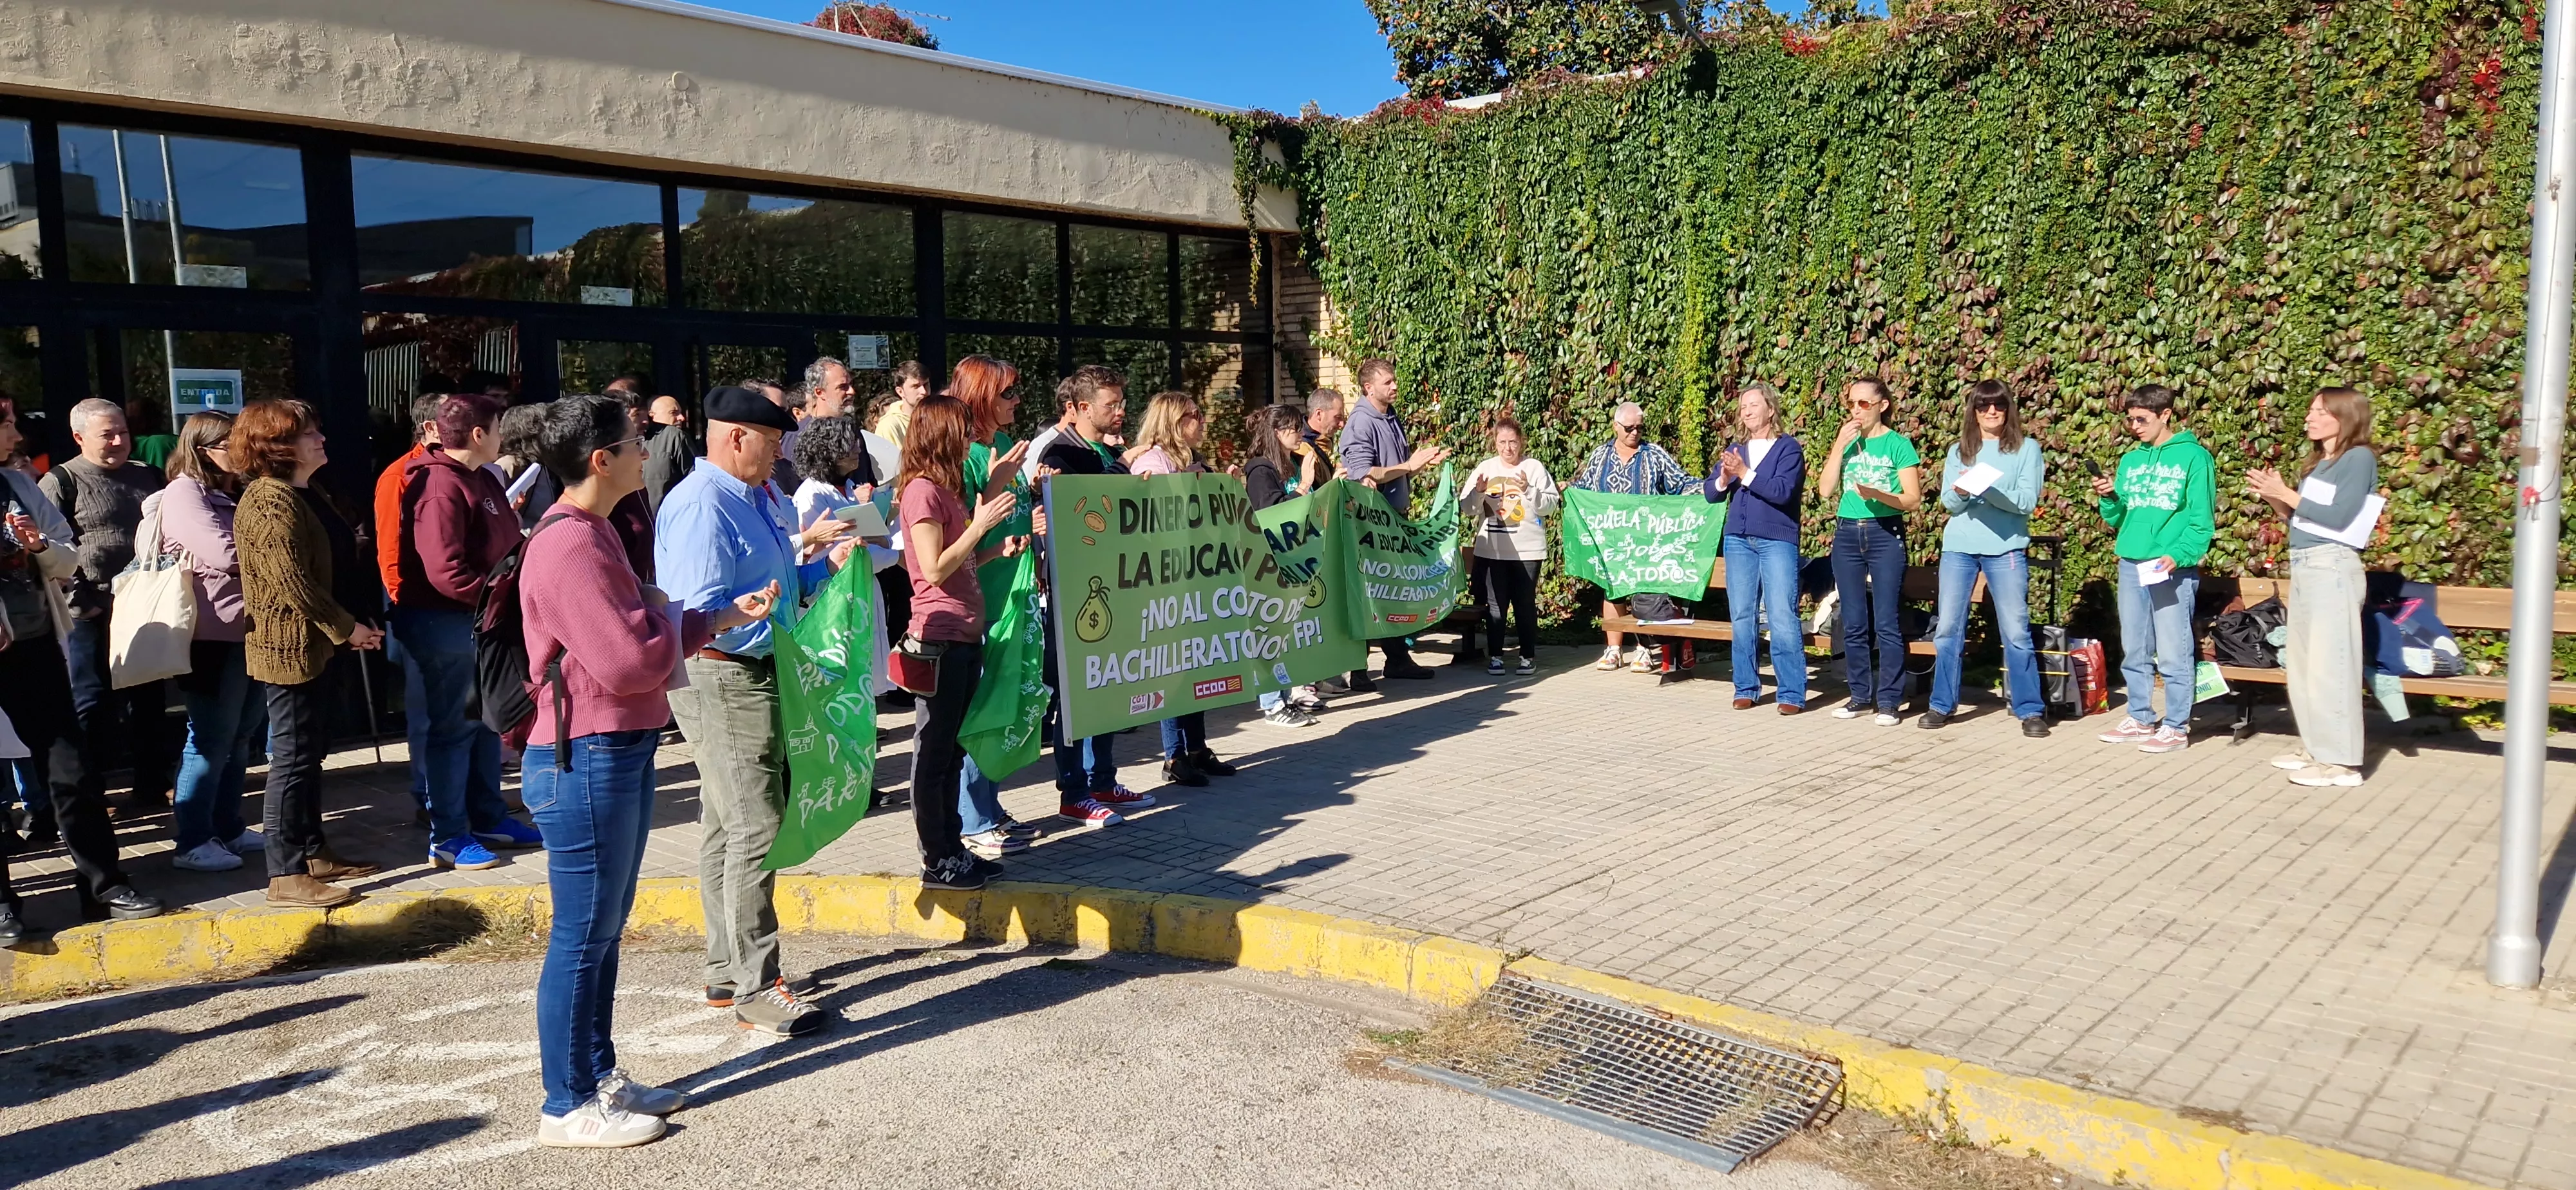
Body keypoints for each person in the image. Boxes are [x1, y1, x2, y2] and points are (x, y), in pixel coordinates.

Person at [520, 394, 774, 1148]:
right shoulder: (570, 545)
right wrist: (665, 608)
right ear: (602, 460)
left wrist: (714, 618)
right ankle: (566, 1106)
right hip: (584, 756)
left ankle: (596, 1076)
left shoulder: (592, 532)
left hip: (609, 750)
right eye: (636, 442)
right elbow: (630, 661)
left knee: (600, 933)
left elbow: (645, 637)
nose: (649, 452)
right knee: (580, 936)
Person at [656, 385, 853, 1034]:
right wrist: (767, 626)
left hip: (754, 672)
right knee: (754, 827)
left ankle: (726, 968)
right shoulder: (703, 506)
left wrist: (823, 565)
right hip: (724, 677)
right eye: (772, 445)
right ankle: (755, 985)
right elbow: (698, 616)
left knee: (729, 823)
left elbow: (779, 588)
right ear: (736, 438)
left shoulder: (757, 495)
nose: (780, 459)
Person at [0, 395, 161, 938]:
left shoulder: (20, 485)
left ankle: (104, 885)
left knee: (72, 766)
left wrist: (40, 544)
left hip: (35, 643)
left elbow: (67, 555)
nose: (16, 435)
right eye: (5, 424)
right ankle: (2, 905)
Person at [232, 400, 386, 908]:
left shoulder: (303, 491)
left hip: (318, 643)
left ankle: (313, 851)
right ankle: (285, 873)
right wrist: (348, 629)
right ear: (277, 448)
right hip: (290, 649)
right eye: (307, 434)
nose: (320, 439)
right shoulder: (269, 501)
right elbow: (293, 583)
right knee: (292, 759)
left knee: (309, 754)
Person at [395, 393, 545, 872]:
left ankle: (487, 816)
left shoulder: (479, 478)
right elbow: (445, 570)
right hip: (448, 621)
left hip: (478, 621)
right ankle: (449, 835)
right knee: (453, 729)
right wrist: (499, 598)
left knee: (485, 723)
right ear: (479, 434)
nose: (503, 436)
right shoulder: (440, 485)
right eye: (498, 427)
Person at [896, 395, 1022, 890]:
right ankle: (938, 857)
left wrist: (993, 549)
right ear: (940, 435)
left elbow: (960, 562)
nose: (969, 438)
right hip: (940, 639)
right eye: (962, 430)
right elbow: (933, 568)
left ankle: (954, 849)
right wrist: (980, 526)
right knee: (935, 755)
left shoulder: (947, 489)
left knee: (951, 753)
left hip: (964, 635)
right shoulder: (922, 492)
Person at [41, 398, 180, 815]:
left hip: (144, 604)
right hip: (90, 611)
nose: (120, 441)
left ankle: (151, 787)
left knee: (150, 700)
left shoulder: (149, 476)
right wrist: (84, 602)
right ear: (79, 437)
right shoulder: (62, 481)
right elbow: (52, 549)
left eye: (123, 431)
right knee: (93, 702)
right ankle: (91, 792)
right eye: (108, 434)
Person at [1024, 366, 1146, 824]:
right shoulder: (1061, 454)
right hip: (1077, 592)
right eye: (1110, 405)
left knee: (1109, 682)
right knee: (1075, 692)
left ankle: (1103, 779)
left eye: (1121, 403)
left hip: (1112, 584)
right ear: (1078, 409)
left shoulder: (1103, 453)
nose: (1120, 412)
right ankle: (1073, 790)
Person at [160, 411, 270, 871]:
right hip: (211, 635)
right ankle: (192, 840)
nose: (242, 452)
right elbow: (224, 553)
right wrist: (275, 552)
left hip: (247, 629)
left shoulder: (228, 490)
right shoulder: (184, 492)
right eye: (232, 444)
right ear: (204, 448)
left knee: (240, 736)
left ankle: (227, 827)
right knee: (208, 739)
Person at [2249, 387, 2376, 786]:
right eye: (2310, 410)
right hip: (2307, 566)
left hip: (2333, 567)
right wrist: (2276, 498)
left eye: (2319, 411)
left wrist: (2286, 493)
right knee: (2303, 665)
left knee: (2331, 666)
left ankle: (2341, 762)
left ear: (2345, 417)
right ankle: (2318, 747)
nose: (2309, 417)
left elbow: (2339, 517)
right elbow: (2303, 520)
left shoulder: (2359, 458)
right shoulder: (2319, 463)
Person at [2092, 384, 2216, 754]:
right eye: (2129, 419)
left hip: (2169, 567)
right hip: (2131, 562)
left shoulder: (2194, 458)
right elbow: (2119, 518)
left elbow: (2201, 520)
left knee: (2174, 649)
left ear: (2166, 415)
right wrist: (2109, 497)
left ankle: (2177, 725)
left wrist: (2180, 555)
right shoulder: (2132, 460)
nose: (2134, 426)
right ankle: (2141, 717)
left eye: (2142, 419)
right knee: (2135, 646)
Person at [1128, 392, 1245, 786]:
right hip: (1166, 584)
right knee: (1173, 671)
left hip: (1193, 579)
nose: (1203, 422)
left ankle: (1197, 748)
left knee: (1197, 665)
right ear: (1175, 422)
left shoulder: (1188, 462)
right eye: (1196, 415)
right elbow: (1154, 522)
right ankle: (1173, 756)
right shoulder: (1153, 463)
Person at [1925, 380, 2048, 736]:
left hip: (2006, 548)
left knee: (2015, 630)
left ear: (2008, 410)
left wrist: (1988, 490)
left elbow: (2026, 502)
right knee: (1948, 629)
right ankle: (1941, 705)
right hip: (1959, 547)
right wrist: (1964, 491)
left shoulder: (2027, 450)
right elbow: (1949, 502)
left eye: (1998, 406)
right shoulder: (1959, 451)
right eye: (1983, 407)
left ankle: (2030, 710)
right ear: (1974, 412)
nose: (1991, 413)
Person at [1333, 359, 1449, 688]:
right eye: (1387, 382)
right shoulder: (1360, 423)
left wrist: (1418, 465)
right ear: (1369, 388)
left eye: (1394, 380)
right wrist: (1408, 466)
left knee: (1392, 591)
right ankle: (1357, 668)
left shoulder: (1390, 416)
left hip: (1392, 523)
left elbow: (1397, 468)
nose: (1394, 386)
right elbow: (1364, 474)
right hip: (1369, 527)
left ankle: (1397, 660)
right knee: (1369, 593)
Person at [1816, 378, 1923, 725]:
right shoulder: (1848, 445)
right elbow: (1825, 490)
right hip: (1847, 533)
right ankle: (1860, 695)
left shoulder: (1898, 445)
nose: (1856, 411)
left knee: (1887, 621)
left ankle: (1889, 700)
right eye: (1851, 404)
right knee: (1853, 619)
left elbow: (1913, 499)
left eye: (1864, 404)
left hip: (1884, 532)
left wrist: (1880, 496)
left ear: (1882, 406)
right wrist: (1837, 446)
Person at [1571, 401, 1697, 672]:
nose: (1635, 433)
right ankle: (1614, 649)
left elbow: (1681, 483)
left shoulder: (1655, 455)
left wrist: (1714, 487)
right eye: (1629, 428)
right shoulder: (1600, 457)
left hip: (1646, 541)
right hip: (1610, 539)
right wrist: (1565, 491)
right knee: (1613, 591)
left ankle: (1643, 649)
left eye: (1640, 428)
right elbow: (1581, 490)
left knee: (1644, 595)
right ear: (1616, 426)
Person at [1704, 383, 1808, 713]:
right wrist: (1723, 478)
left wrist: (1744, 474)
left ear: (1770, 410)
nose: (1746, 411)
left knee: (1781, 614)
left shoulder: (1789, 449)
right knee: (1742, 615)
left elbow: (1781, 491)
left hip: (1776, 540)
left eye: (1753, 405)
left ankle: (1791, 693)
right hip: (1738, 540)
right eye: (1743, 406)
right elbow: (1711, 492)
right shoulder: (1737, 449)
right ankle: (1746, 686)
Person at [376, 391, 446, 818]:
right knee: (426, 711)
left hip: (462, 612)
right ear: (432, 428)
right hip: (422, 610)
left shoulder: (470, 472)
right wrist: (403, 606)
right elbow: (389, 547)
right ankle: (428, 796)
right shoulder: (400, 474)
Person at [1245, 403, 1329, 725]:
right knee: (1271, 633)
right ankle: (1272, 703)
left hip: (1287, 561)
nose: (1300, 435)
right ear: (1278, 433)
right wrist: (1305, 484)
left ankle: (1284, 697)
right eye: (1295, 429)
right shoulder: (1260, 470)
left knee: (1285, 635)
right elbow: (1273, 513)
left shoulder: (1279, 467)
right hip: (1269, 562)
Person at [1461, 417, 1559, 678]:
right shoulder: (1486, 467)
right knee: (1496, 605)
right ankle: (1496, 657)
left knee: (1525, 604)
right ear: (1495, 443)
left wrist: (1529, 490)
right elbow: (1468, 507)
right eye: (1502, 442)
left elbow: (1551, 505)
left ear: (1521, 442)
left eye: (1513, 442)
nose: (1508, 448)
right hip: (1493, 551)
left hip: (1528, 551)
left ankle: (1527, 657)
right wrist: (1479, 492)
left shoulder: (1534, 467)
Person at [641, 395, 701, 515]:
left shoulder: (677, 438)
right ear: (652, 415)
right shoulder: (630, 441)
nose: (682, 418)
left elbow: (695, 483)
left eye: (680, 412)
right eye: (674, 413)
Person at [873, 359, 929, 448]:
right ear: (900, 392)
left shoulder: (937, 417)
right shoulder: (889, 426)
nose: (924, 391)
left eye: (926, 385)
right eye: (916, 386)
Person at [1303, 388, 1345, 452]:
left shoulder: (1325, 440)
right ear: (1319, 414)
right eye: (1338, 417)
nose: (1342, 424)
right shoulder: (1300, 448)